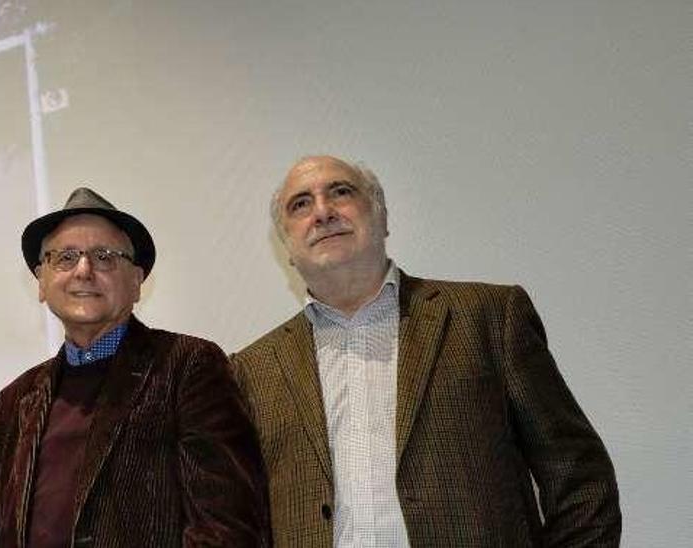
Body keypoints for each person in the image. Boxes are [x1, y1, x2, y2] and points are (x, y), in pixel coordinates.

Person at [231, 155, 620, 546]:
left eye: (341, 192)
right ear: (287, 247)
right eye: (300, 204)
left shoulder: (488, 317)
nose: (322, 212)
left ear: (382, 218)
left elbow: (580, 479)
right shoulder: (250, 370)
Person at [0, 187, 267, 547]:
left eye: (105, 257)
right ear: (41, 282)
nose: (84, 270)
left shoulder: (189, 366)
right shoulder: (15, 400)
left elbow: (228, 529)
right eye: (65, 257)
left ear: (137, 281)